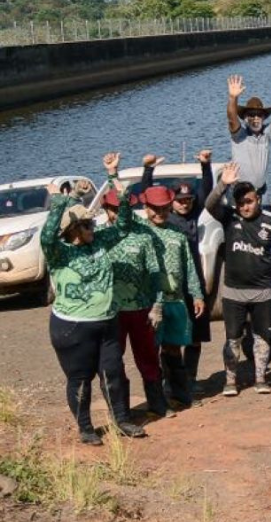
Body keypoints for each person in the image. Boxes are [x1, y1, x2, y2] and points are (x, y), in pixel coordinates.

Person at [42, 153, 145, 445]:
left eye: (91, 224)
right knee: (80, 379)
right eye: (86, 225)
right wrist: (61, 202)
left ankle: (122, 420)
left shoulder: (100, 241)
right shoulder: (59, 253)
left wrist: (113, 176)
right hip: (72, 327)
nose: (92, 228)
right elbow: (47, 237)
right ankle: (86, 428)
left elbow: (125, 222)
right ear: (72, 231)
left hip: (107, 322)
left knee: (112, 372)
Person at [140, 149, 214, 397]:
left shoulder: (194, 214)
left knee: (194, 336)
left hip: (192, 281)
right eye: (180, 200)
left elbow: (206, 190)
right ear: (170, 202)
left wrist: (206, 165)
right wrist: (148, 170)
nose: (185, 203)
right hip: (166, 288)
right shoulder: (164, 218)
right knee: (167, 339)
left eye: (189, 200)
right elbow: (147, 196)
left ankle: (189, 379)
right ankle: (168, 383)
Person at [206, 162, 271, 396]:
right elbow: (209, 205)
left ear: (257, 199)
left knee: (262, 337)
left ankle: (260, 379)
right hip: (233, 292)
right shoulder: (229, 218)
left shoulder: (270, 221)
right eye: (240, 203)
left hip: (262, 291)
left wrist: (270, 264)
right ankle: (230, 381)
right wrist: (222, 185)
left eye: (248, 201)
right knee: (233, 339)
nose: (245, 207)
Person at [98, 188, 167, 419]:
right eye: (115, 209)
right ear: (106, 210)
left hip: (140, 308)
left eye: (122, 208)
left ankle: (157, 405)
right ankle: (121, 413)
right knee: (112, 363)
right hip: (110, 312)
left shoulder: (144, 236)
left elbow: (155, 273)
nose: (120, 214)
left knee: (148, 358)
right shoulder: (99, 237)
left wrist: (158, 304)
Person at [225, 73, 271, 194]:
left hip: (261, 192)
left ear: (264, 118)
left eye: (259, 115)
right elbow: (231, 118)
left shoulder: (267, 134)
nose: (255, 118)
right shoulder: (239, 134)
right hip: (241, 192)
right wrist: (233, 98)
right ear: (244, 118)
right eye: (251, 115)